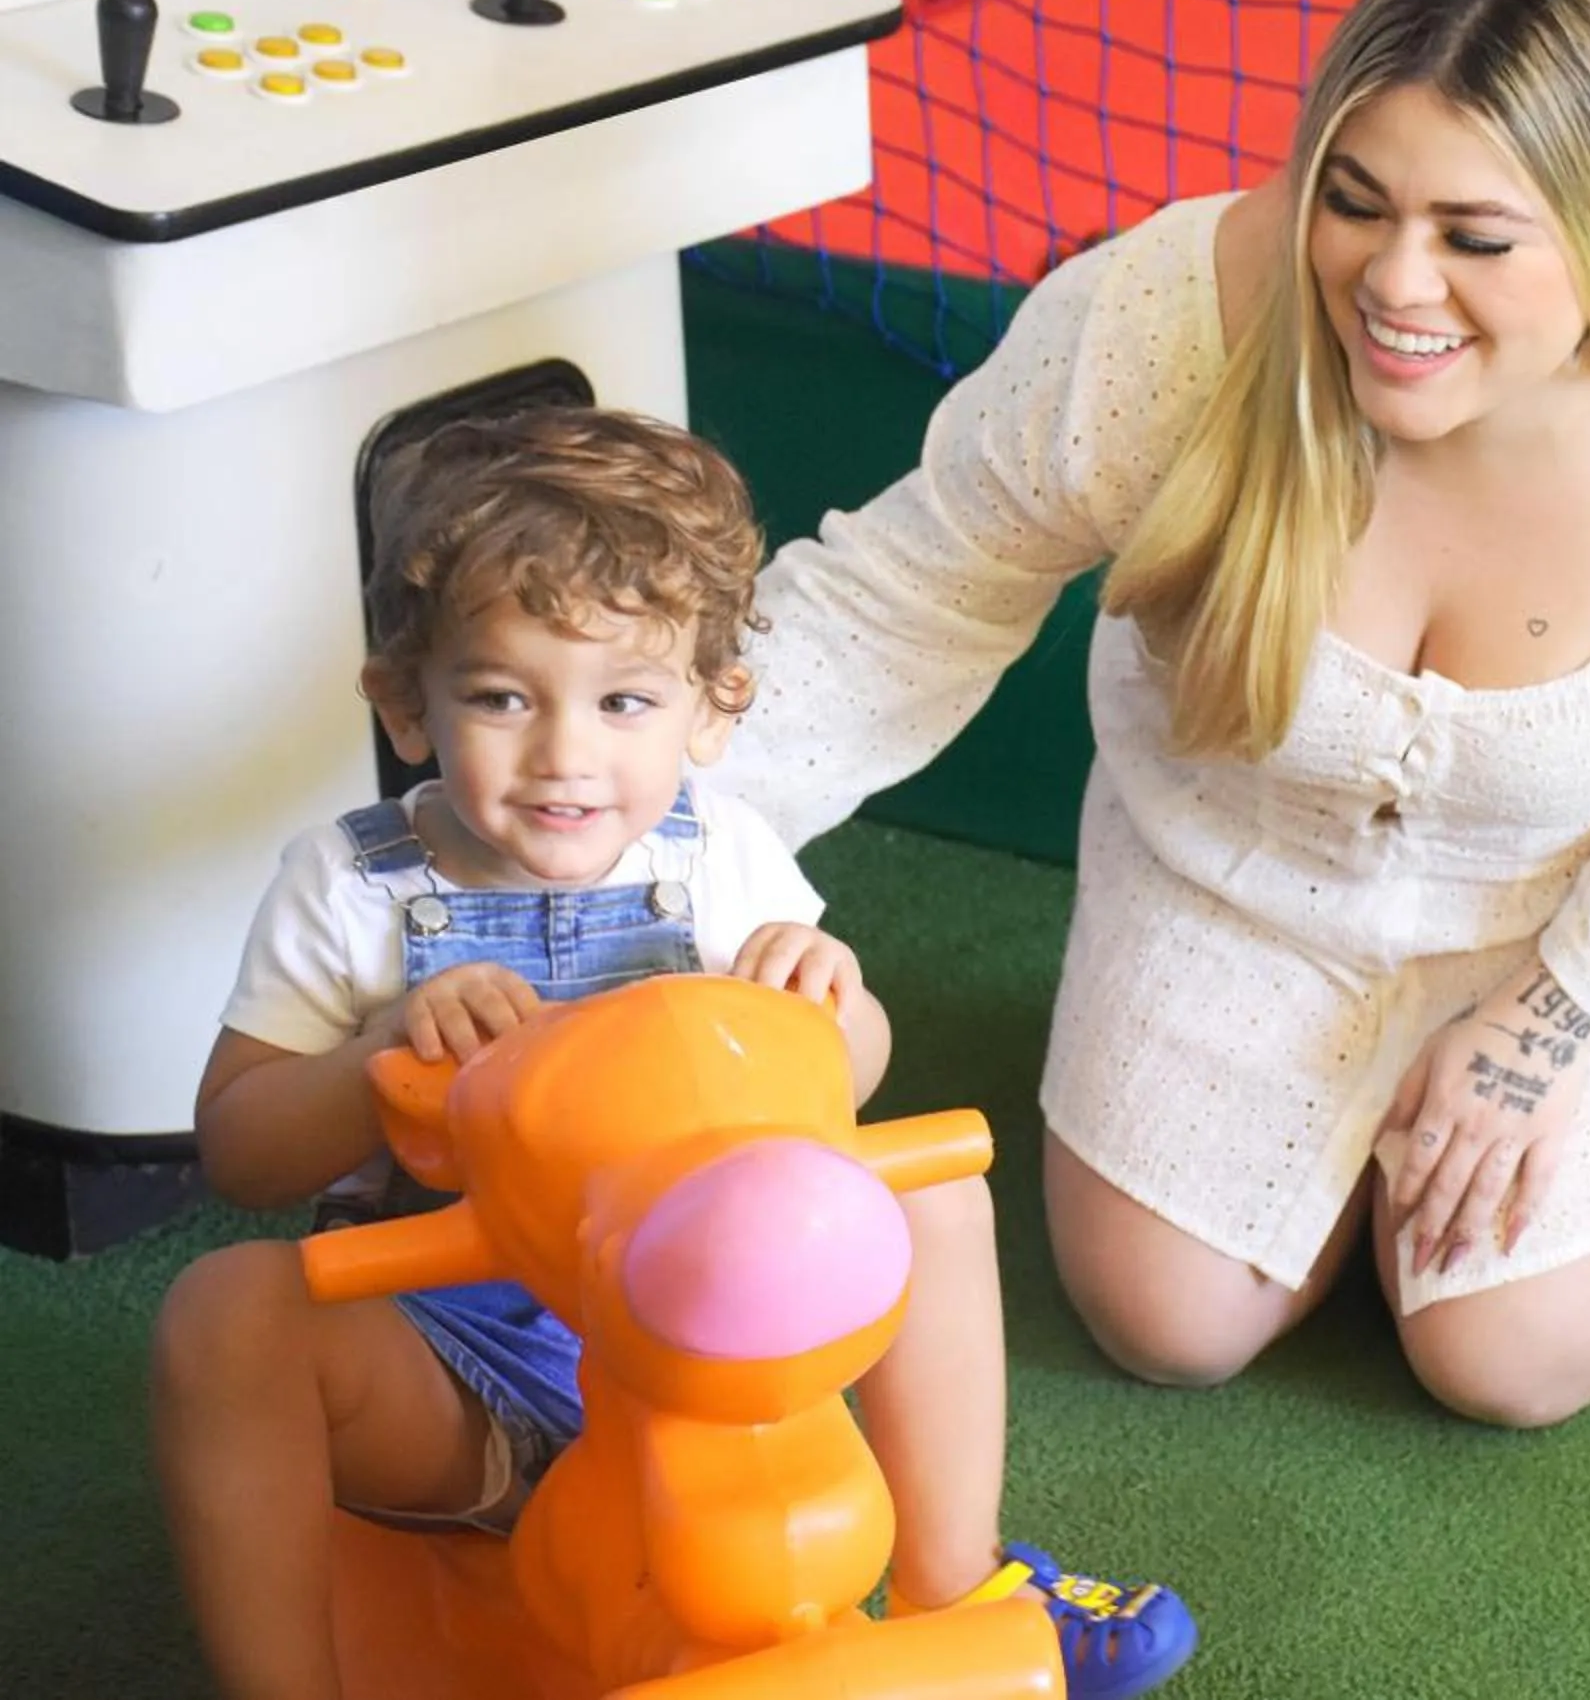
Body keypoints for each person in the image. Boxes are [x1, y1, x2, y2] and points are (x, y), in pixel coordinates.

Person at [717, 0, 1590, 1431]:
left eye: (1476, 238)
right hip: (1241, 874)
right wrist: (652, 831)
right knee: (1164, 1317)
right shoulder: (1170, 319)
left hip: (1587, 921)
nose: (1394, 284)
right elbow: (909, 593)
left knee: (1508, 1358)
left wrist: (1552, 1020)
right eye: (1353, 201)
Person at [146, 407, 1196, 1700]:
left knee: (931, 1192)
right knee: (226, 1312)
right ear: (406, 704)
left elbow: (842, 1086)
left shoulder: (717, 861)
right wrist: (376, 1053)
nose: (564, 755)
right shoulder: (353, 887)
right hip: (453, 1365)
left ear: (710, 710)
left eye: (624, 700)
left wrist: (831, 998)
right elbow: (241, 1147)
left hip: (713, 1344)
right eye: (501, 697)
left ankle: (953, 1580)